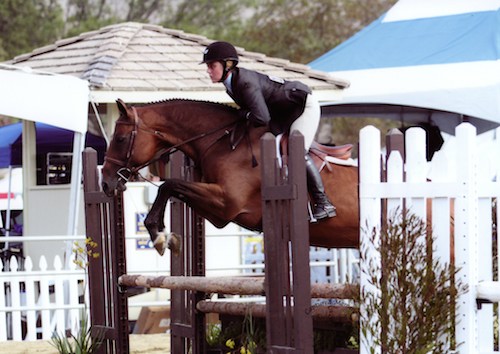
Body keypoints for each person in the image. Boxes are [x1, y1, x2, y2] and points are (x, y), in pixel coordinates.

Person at [201, 41, 336, 221]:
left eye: (212, 66)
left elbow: (261, 117)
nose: (208, 70)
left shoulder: (245, 83)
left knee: (297, 152)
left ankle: (324, 203)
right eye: (208, 66)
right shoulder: (230, 83)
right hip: (283, 113)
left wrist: (244, 113)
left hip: (302, 107)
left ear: (227, 65)